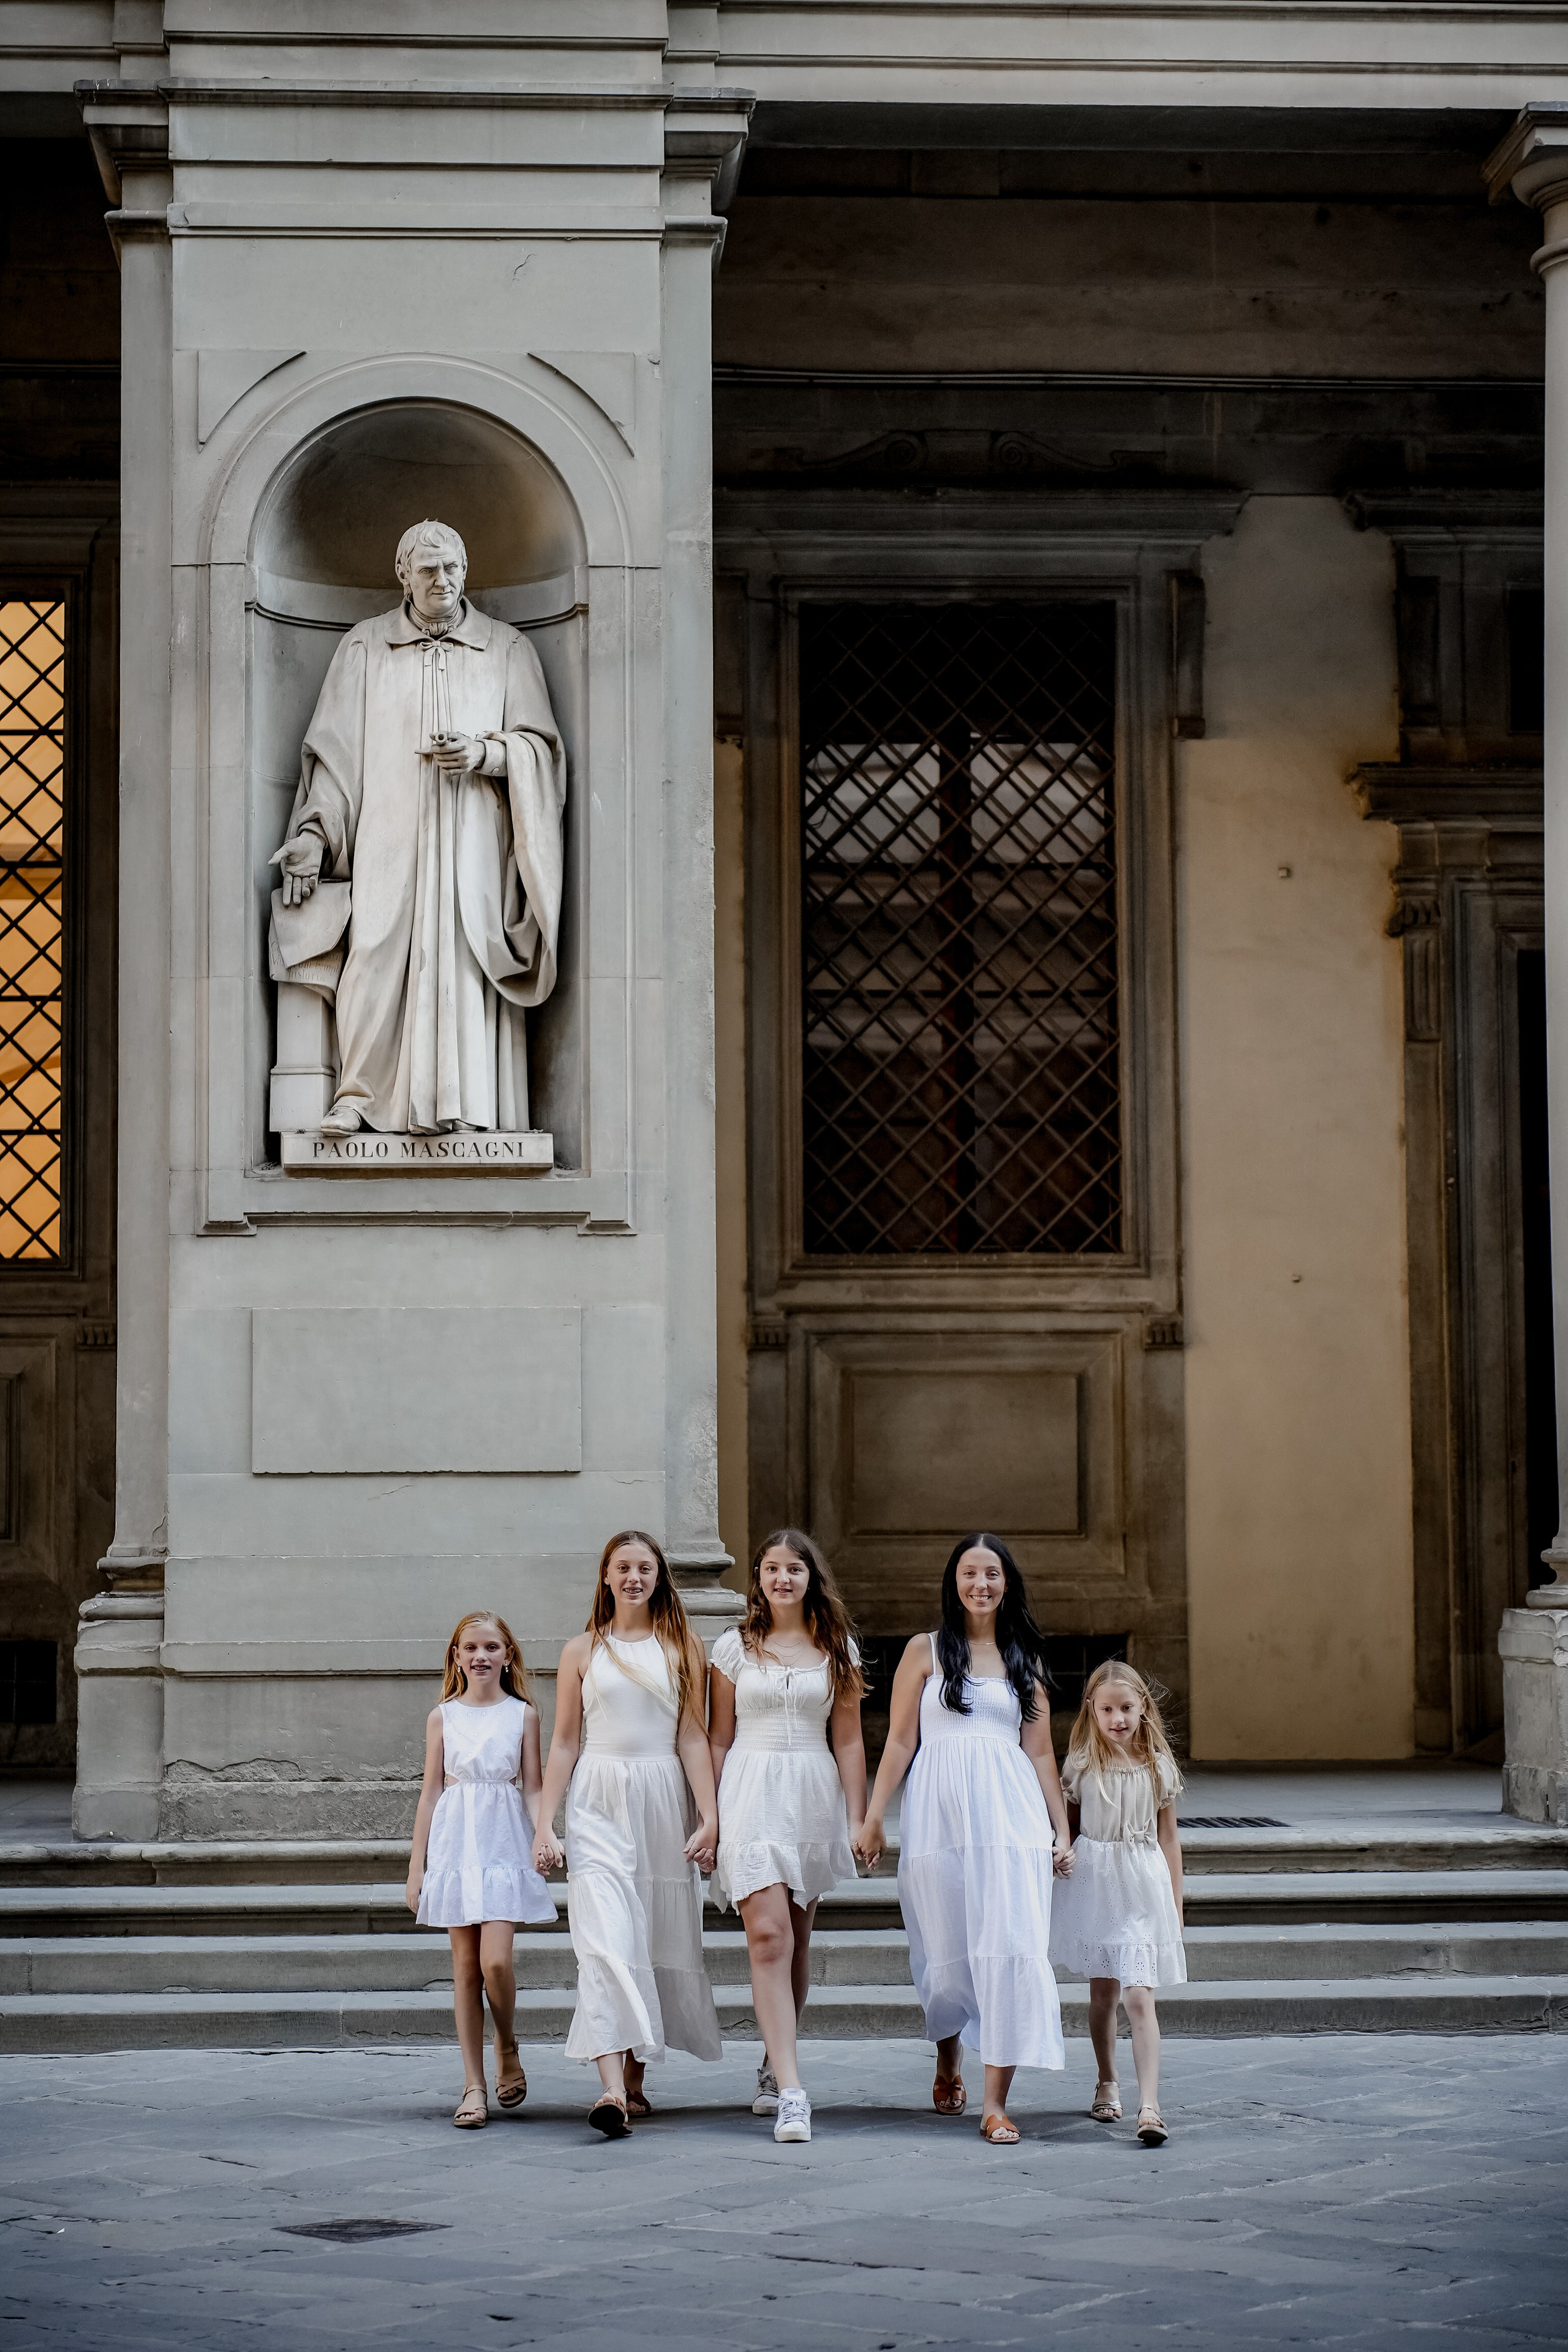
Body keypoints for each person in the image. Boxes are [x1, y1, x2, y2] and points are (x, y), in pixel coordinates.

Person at [270, 517, 566, 1137]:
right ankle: (358, 1094)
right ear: (402, 575)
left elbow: (542, 749)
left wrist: (486, 754)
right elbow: (335, 757)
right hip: (387, 834)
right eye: (428, 569)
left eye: (453, 568)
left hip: (474, 841)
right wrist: (314, 836)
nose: (443, 580)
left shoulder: (508, 649)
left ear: (467, 572)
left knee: (461, 960)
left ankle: (470, 1105)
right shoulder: (363, 647)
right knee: (374, 954)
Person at [855, 1532, 1072, 2146]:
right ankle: (948, 2052)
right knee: (945, 1949)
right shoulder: (924, 1652)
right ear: (954, 1582)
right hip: (939, 1819)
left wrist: (1060, 1831)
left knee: (1007, 1945)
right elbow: (899, 1740)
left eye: (993, 1574)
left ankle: (995, 2102)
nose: (982, 1585)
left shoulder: (1024, 1658)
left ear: (1008, 1584)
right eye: (971, 1574)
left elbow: (1041, 1753)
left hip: (1011, 1821)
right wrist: (874, 1815)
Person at [533, 1531, 722, 2137]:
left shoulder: (683, 1647)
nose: (634, 1576)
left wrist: (709, 1817)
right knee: (604, 1939)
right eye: (623, 1567)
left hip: (661, 1796)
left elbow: (693, 1737)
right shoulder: (581, 1651)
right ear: (606, 1577)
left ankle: (635, 2079)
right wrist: (545, 1823)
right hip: (598, 1799)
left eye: (645, 1567)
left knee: (652, 1932)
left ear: (660, 1577)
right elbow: (564, 1742)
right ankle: (611, 2089)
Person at [709, 1528, 866, 2146]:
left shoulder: (837, 1647)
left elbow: (849, 1739)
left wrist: (860, 1817)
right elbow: (717, 1738)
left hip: (809, 1795)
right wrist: (711, 1817)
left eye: (793, 1570)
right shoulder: (732, 1649)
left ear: (810, 1579)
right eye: (771, 1569)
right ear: (758, 1579)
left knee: (797, 1940)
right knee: (768, 1936)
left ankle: (776, 2064)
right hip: (748, 1791)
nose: (782, 1579)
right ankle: (794, 2096)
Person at [405, 1611, 557, 2128]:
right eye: (470, 1648)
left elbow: (534, 1786)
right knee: (466, 1969)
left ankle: (508, 2042)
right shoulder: (442, 1716)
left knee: (496, 1962)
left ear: (508, 1655)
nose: (480, 1656)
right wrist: (416, 1868)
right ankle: (473, 2085)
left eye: (491, 1647)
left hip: (502, 1843)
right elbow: (431, 1794)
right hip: (455, 1844)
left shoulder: (523, 1716)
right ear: (456, 1656)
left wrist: (545, 1833)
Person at [1049, 1659, 1185, 2146]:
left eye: (1127, 1708)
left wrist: (1176, 1902)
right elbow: (1066, 1827)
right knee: (1104, 1994)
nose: (1118, 1719)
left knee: (1138, 1995)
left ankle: (1150, 2105)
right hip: (1097, 1885)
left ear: (1143, 1709)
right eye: (1107, 1709)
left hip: (1143, 1887)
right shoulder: (1081, 1765)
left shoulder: (1158, 1767)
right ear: (1092, 1710)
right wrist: (1059, 1851)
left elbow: (1169, 1841)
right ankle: (1108, 2079)